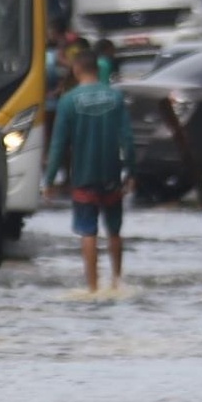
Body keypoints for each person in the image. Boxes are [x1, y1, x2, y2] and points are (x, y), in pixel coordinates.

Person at [46, 40, 134, 291]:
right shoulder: (115, 98)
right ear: (97, 68)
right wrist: (131, 172)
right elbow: (127, 139)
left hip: (83, 176)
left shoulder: (68, 101)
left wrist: (49, 179)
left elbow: (58, 144)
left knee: (88, 232)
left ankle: (92, 287)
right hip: (111, 174)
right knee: (114, 230)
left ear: (76, 69)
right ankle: (117, 281)